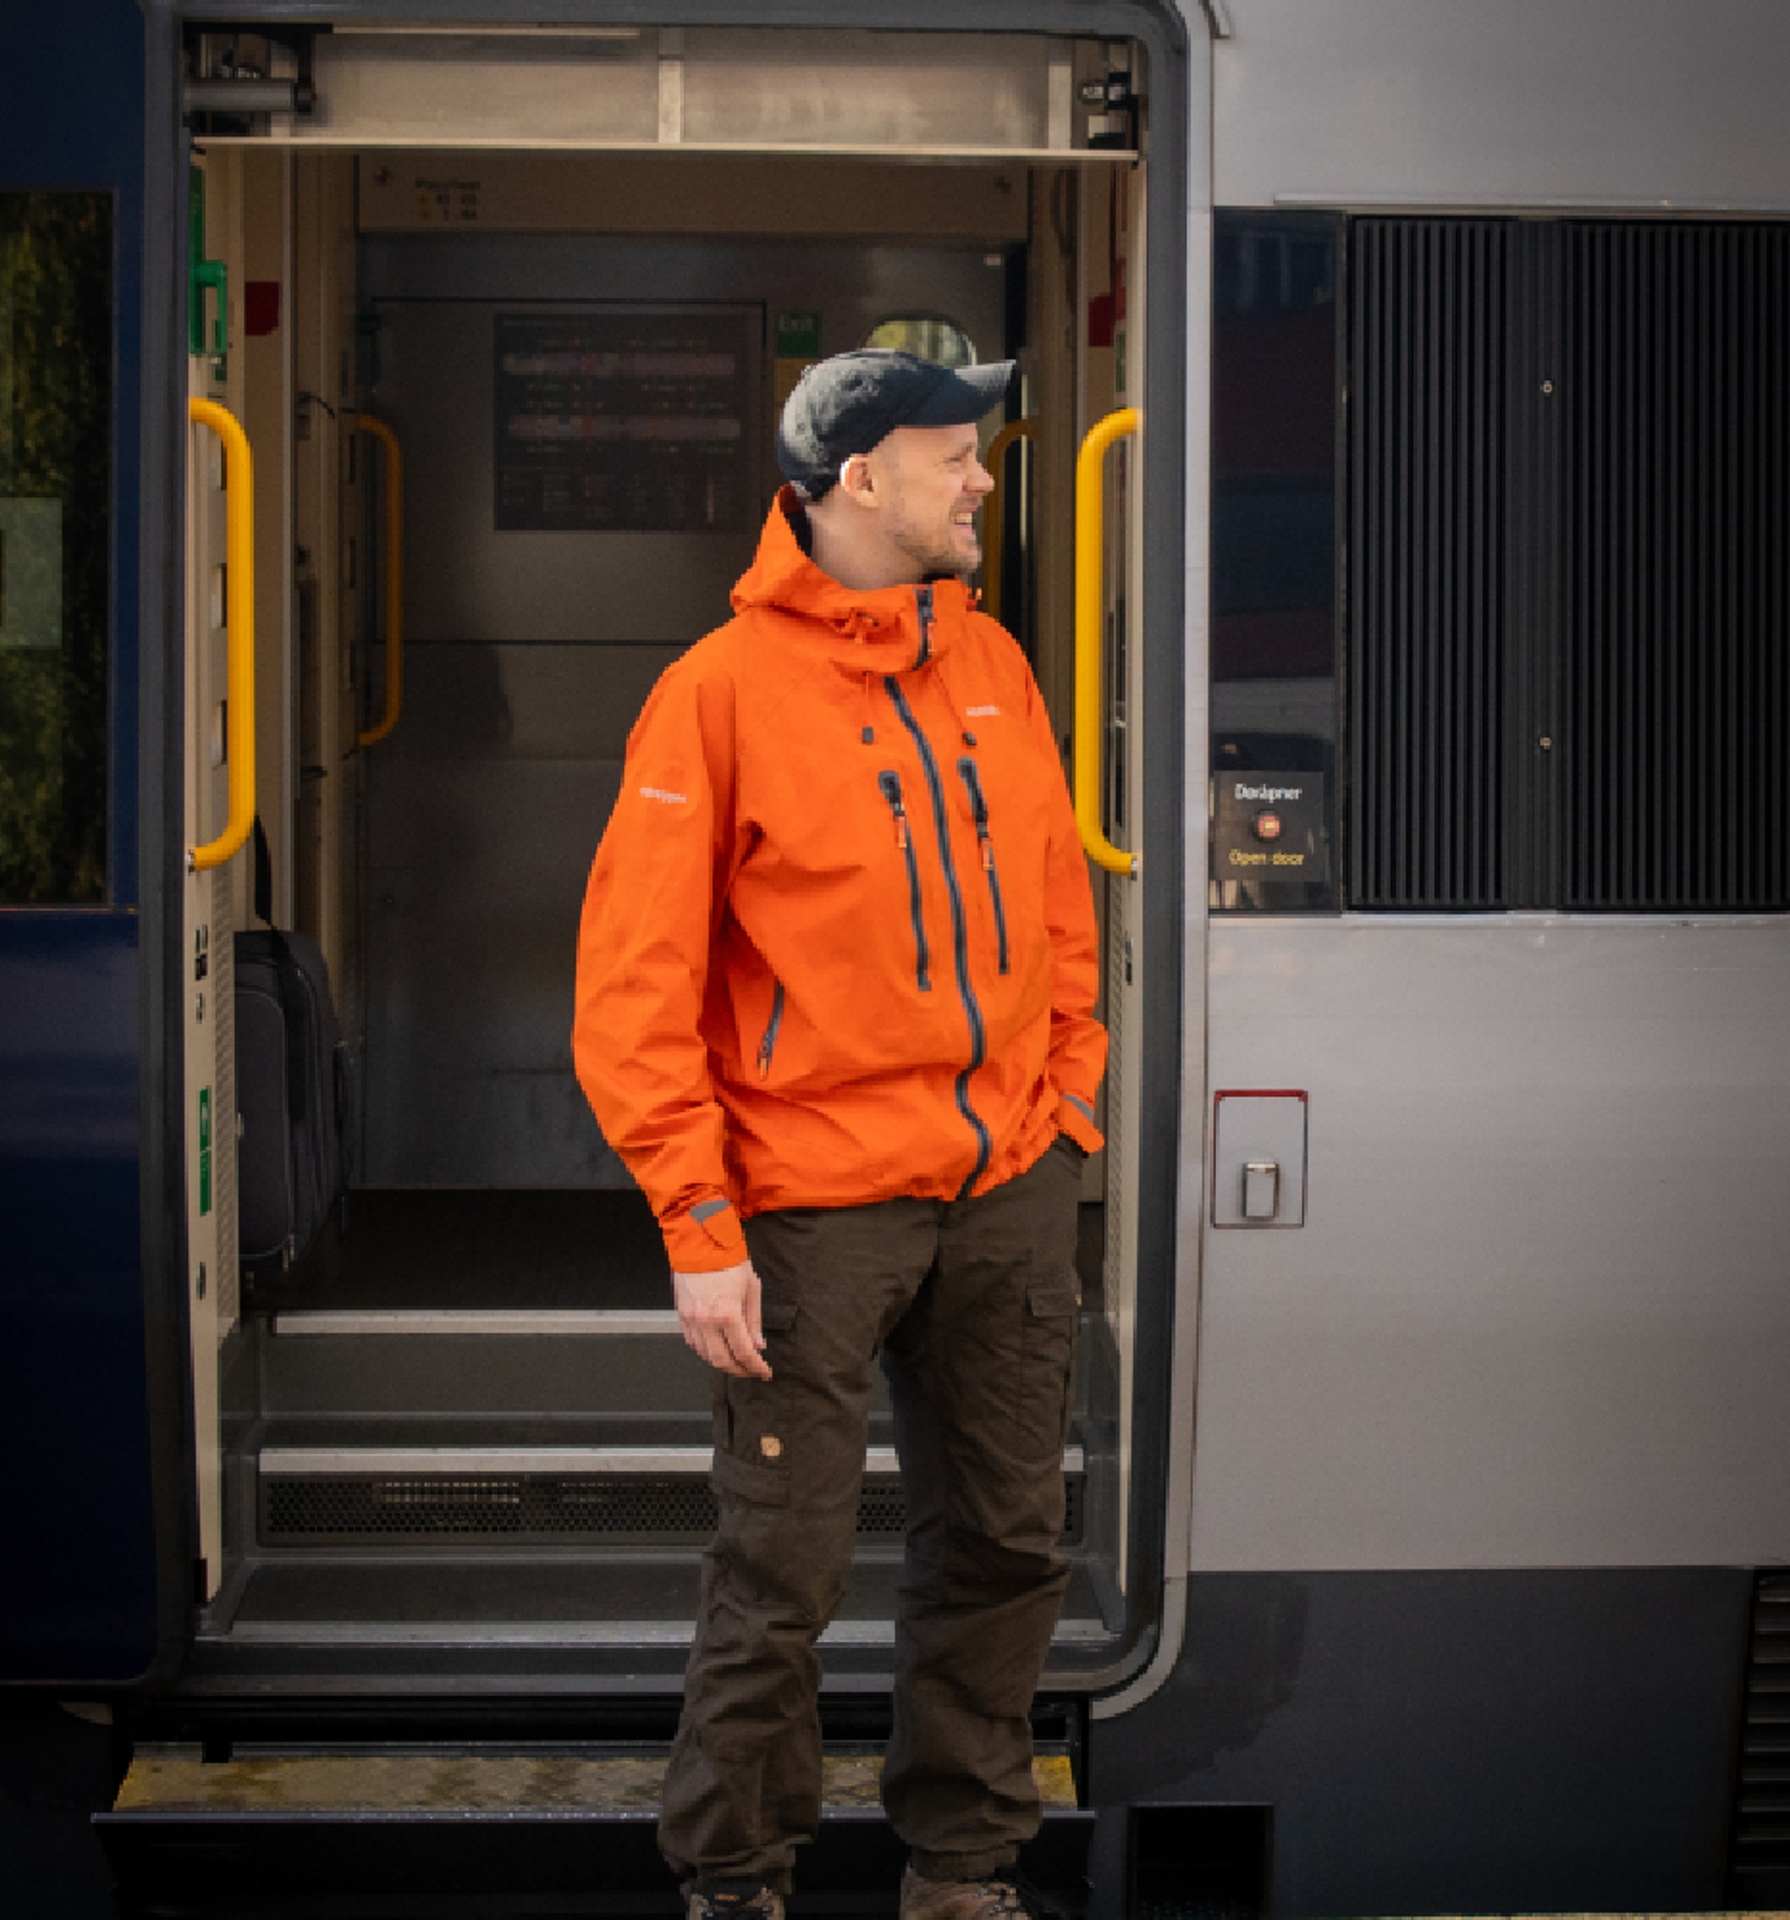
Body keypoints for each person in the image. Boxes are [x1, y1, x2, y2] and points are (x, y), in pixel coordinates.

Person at [574, 348, 1111, 1920]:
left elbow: (1061, 916)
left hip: (1007, 1187)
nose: (985, 482)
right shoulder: (715, 695)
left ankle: (964, 1869)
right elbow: (632, 994)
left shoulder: (999, 666)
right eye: (959, 457)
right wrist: (699, 1229)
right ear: (860, 478)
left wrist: (1065, 1105)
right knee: (781, 1576)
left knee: (1006, 1548)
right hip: (808, 1210)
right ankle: (735, 1884)